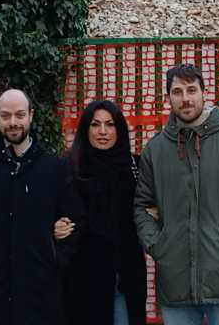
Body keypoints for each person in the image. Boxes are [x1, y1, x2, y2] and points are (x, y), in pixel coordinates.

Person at [134, 63, 219, 325]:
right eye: (177, 92)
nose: (185, 99)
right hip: (175, 287)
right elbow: (142, 207)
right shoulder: (155, 150)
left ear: (204, 93)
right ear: (168, 97)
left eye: (191, 90)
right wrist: (159, 246)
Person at [0, 88, 84, 325]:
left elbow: (75, 219)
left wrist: (54, 260)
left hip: (41, 295)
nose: (13, 122)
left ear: (31, 115)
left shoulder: (54, 168)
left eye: (20, 115)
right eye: (6, 116)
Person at [53, 100, 147, 325]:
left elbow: (151, 207)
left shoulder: (135, 166)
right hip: (81, 279)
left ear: (119, 129)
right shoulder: (67, 166)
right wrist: (54, 227)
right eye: (95, 124)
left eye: (110, 124)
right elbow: (47, 210)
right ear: (85, 129)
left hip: (125, 277)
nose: (102, 131)